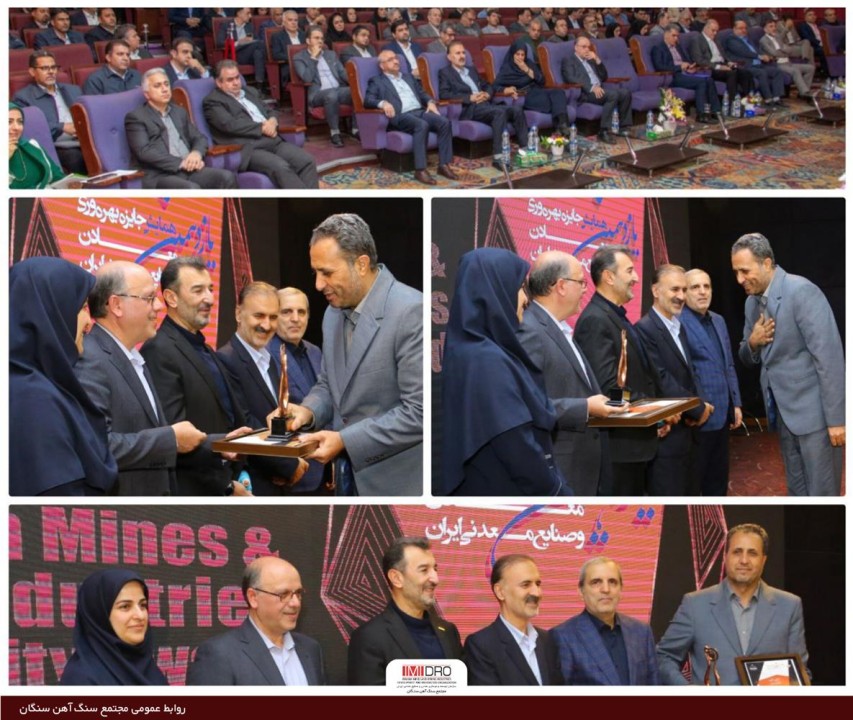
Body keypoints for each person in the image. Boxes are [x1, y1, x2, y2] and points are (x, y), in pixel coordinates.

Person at [285, 214, 423, 496]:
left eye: (327, 273)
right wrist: (306, 412)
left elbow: (418, 413)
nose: (318, 285)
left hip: (396, 487)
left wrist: (345, 440)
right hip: (345, 484)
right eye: (315, 273)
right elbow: (330, 385)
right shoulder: (332, 314)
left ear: (361, 264)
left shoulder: (411, 311)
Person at [438, 247, 569, 497]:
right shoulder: (485, 360)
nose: (525, 299)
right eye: (520, 287)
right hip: (508, 490)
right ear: (495, 291)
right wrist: (556, 489)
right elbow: (515, 445)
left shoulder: (469, 350)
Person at [75, 261, 207, 496]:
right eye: (149, 298)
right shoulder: (91, 359)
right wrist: (171, 440)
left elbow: (152, 432)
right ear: (116, 305)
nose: (158, 306)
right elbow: (98, 446)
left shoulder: (133, 357)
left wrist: (223, 442)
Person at [732, 233, 845, 496]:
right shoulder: (751, 304)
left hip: (817, 417)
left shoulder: (801, 291)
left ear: (766, 263)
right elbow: (746, 357)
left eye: (745, 271)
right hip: (782, 415)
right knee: (797, 492)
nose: (739, 279)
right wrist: (753, 343)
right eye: (736, 272)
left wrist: (837, 420)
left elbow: (828, 358)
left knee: (822, 494)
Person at [139, 256, 254, 497]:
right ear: (171, 298)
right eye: (198, 290)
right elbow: (173, 439)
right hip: (195, 496)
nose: (210, 299)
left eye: (210, 289)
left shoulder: (205, 348)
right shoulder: (158, 350)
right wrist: (226, 487)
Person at [9, 257, 117, 495]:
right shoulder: (34, 401)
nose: (89, 322)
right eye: (81, 308)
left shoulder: (28, 386)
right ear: (50, 312)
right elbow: (59, 506)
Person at [657, 523, 809, 685]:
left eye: (752, 553)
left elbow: (800, 671)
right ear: (725, 556)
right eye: (737, 552)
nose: (744, 560)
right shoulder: (695, 604)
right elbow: (664, 657)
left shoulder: (789, 606)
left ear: (764, 560)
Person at [518, 251, 616, 495]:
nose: (585, 289)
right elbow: (526, 404)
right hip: (562, 469)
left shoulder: (559, 328)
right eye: (581, 282)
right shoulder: (530, 330)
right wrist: (585, 407)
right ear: (561, 286)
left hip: (585, 467)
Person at [574, 245, 662, 496]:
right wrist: (651, 408)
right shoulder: (595, 320)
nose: (636, 278)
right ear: (609, 277)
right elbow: (607, 389)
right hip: (619, 448)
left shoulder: (616, 316)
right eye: (630, 271)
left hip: (633, 444)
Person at [216, 282, 308, 496]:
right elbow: (244, 422)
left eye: (273, 317)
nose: (266, 325)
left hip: (278, 484)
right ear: (238, 314)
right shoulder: (226, 360)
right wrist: (288, 464)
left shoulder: (270, 360)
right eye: (259, 316)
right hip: (253, 484)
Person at [636, 265, 714, 496]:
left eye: (684, 290)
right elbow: (661, 378)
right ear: (656, 291)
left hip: (688, 435)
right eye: (674, 290)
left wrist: (700, 405)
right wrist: (697, 408)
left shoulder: (679, 327)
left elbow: (690, 373)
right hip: (666, 440)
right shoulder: (645, 329)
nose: (681, 296)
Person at [186, 556, 325, 685]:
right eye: (284, 594)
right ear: (253, 597)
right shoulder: (219, 655)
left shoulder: (310, 648)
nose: (296, 603)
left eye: (298, 593)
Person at [347, 538, 463, 685]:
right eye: (424, 570)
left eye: (435, 569)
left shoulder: (449, 631)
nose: (435, 579)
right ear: (396, 578)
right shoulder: (370, 638)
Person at [203, 60, 319, 189]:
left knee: (307, 161)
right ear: (219, 83)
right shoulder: (213, 101)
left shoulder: (250, 91)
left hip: (273, 141)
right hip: (249, 148)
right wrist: (262, 128)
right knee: (281, 167)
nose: (236, 82)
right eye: (230, 80)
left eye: (237, 77)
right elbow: (229, 124)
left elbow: (270, 110)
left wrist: (273, 121)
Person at [680, 268, 743, 496]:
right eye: (695, 287)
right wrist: (697, 407)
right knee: (694, 483)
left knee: (718, 481)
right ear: (684, 293)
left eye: (706, 286)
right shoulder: (678, 322)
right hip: (698, 417)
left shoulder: (718, 320)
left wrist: (736, 403)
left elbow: (728, 364)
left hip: (723, 413)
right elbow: (684, 373)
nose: (702, 292)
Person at [550, 557, 659, 685]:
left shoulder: (641, 632)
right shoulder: (563, 636)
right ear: (581, 590)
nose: (606, 589)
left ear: (621, 589)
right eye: (596, 582)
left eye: (612, 582)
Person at [125, 69, 237, 189]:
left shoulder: (178, 111)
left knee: (226, 177)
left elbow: (199, 138)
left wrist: (196, 153)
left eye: (166, 84)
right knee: (191, 188)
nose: (164, 89)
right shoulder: (136, 117)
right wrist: (181, 163)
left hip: (188, 170)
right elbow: (144, 152)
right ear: (147, 94)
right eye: (157, 86)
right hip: (160, 174)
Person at [465, 555, 563, 685]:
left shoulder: (547, 640)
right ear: (500, 592)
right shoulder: (481, 645)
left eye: (538, 584)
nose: (536, 592)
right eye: (526, 585)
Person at [364, 50, 457, 186]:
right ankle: (420, 169)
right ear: (382, 66)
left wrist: (430, 102)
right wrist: (383, 103)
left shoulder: (408, 77)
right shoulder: (377, 81)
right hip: (400, 115)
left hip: (419, 111)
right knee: (421, 125)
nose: (396, 61)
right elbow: (368, 100)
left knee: (444, 122)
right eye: (390, 60)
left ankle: (443, 165)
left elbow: (422, 93)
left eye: (395, 58)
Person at [267, 287, 327, 495]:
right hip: (290, 475)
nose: (295, 319)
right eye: (287, 312)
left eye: (301, 312)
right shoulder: (264, 354)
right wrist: (284, 465)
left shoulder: (315, 351)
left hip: (325, 467)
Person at [60, 569, 166, 685]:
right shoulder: (81, 679)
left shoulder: (147, 666)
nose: (140, 616)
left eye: (143, 605)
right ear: (99, 615)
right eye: (125, 606)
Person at [439, 41, 528, 171]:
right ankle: (499, 158)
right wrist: (469, 98)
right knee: (499, 113)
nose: (462, 56)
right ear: (449, 57)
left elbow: (488, 86)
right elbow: (444, 94)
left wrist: (487, 94)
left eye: (463, 53)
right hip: (470, 108)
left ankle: (526, 151)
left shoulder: (471, 70)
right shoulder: (445, 73)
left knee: (517, 109)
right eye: (457, 53)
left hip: (486, 104)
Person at [12, 51, 87, 176]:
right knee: (76, 158)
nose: (51, 72)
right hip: (55, 144)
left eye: (53, 67)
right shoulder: (23, 97)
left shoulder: (73, 90)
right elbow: (30, 128)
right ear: (32, 72)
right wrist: (61, 127)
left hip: (83, 139)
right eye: (44, 68)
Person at [493, 40, 572, 136]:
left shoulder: (528, 63)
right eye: (517, 54)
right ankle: (562, 128)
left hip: (537, 90)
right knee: (555, 102)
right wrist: (506, 90)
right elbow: (494, 86)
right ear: (512, 54)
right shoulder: (507, 68)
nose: (520, 57)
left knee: (558, 92)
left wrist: (527, 70)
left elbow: (542, 80)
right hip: (524, 95)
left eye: (523, 55)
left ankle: (562, 126)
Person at [562, 36, 632, 144]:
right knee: (613, 95)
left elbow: (604, 77)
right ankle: (604, 131)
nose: (587, 49)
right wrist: (591, 87)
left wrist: (598, 60)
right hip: (586, 92)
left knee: (625, 93)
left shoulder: (591, 59)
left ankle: (623, 127)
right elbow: (570, 78)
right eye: (584, 47)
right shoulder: (569, 60)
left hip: (600, 89)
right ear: (576, 47)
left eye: (588, 47)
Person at [294, 25, 354, 147]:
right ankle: (335, 133)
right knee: (331, 95)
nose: (320, 41)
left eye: (321, 38)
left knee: (357, 92)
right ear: (308, 41)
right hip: (318, 94)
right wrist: (313, 58)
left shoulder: (330, 54)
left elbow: (343, 74)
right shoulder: (299, 57)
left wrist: (356, 83)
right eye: (316, 38)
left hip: (338, 90)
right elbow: (307, 78)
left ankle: (356, 129)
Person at [652, 25, 721, 122]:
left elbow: (686, 60)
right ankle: (702, 114)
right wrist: (679, 67)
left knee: (709, 79)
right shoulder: (658, 48)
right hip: (673, 76)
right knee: (702, 82)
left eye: (677, 36)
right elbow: (660, 67)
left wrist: (690, 67)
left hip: (686, 73)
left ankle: (716, 112)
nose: (676, 38)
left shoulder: (678, 47)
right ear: (666, 35)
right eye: (673, 36)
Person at [687, 19, 752, 104]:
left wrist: (729, 62)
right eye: (713, 30)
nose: (715, 33)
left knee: (745, 73)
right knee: (731, 73)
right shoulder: (697, 40)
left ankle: (748, 101)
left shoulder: (716, 39)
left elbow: (723, 55)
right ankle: (732, 103)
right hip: (710, 68)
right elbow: (699, 60)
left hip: (723, 64)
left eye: (716, 31)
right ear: (706, 28)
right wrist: (719, 67)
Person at [722, 20, 786, 106]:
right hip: (746, 66)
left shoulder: (748, 39)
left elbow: (757, 50)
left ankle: (777, 98)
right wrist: (760, 57)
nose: (744, 30)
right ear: (734, 29)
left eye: (745, 28)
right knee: (761, 73)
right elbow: (743, 52)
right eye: (741, 28)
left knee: (777, 71)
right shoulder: (731, 39)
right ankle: (768, 99)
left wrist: (764, 56)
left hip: (758, 64)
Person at [760, 19, 816, 99]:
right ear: (765, 29)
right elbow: (774, 53)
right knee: (795, 71)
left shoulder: (777, 37)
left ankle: (803, 92)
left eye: (775, 26)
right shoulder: (763, 40)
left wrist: (783, 50)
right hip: (778, 64)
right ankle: (805, 92)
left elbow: (789, 50)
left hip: (788, 62)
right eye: (771, 26)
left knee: (810, 68)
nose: (774, 28)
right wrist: (784, 50)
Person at [216, 7, 266, 89]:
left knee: (258, 53)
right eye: (247, 13)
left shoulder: (249, 26)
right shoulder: (226, 25)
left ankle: (259, 86)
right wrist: (238, 42)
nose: (250, 16)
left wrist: (250, 41)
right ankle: (260, 85)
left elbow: (256, 40)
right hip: (235, 54)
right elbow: (219, 43)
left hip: (250, 54)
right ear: (239, 13)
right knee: (260, 44)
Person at [270, 10, 305, 84]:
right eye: (290, 20)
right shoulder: (277, 36)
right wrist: (294, 58)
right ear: (284, 22)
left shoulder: (303, 35)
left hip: (306, 64)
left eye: (295, 20)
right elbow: (276, 55)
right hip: (290, 66)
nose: (293, 22)